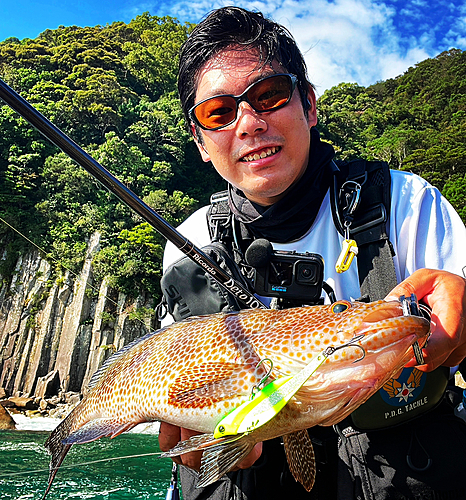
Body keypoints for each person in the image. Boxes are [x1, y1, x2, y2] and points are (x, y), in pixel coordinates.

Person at [158, 6, 466, 500]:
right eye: (219, 112)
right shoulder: (189, 242)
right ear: (199, 141)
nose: (250, 123)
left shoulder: (405, 205)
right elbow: (167, 373)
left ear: (309, 105)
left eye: (270, 95)